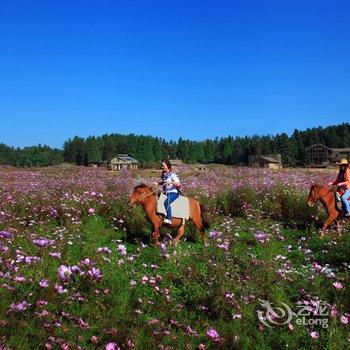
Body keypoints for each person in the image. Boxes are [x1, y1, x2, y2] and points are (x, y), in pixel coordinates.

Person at [153, 160, 181, 224]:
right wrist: (158, 183)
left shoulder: (172, 174)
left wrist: (171, 182)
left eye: (163, 165)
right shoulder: (165, 174)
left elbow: (178, 183)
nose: (162, 167)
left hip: (174, 192)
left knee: (166, 202)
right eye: (162, 166)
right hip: (167, 192)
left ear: (167, 165)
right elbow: (164, 183)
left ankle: (169, 219)